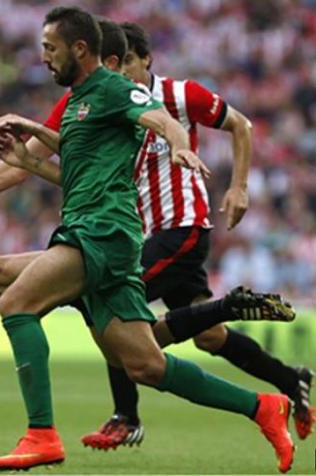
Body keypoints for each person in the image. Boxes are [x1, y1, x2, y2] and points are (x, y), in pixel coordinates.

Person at [0, 10, 293, 472]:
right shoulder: (74, 106)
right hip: (90, 231)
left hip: (104, 234)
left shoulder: (113, 88)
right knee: (143, 364)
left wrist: (178, 142)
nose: (43, 58)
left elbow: (161, 117)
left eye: (50, 48)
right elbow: (61, 170)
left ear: (80, 49)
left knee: (16, 303)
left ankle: (41, 434)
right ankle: (264, 407)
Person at [79, 21, 314, 449]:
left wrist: (239, 186)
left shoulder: (180, 94)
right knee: (209, 335)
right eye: (115, 64)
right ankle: (290, 378)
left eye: (128, 61)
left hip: (181, 227)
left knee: (113, 308)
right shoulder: (117, 108)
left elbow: (241, 126)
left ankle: (126, 417)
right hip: (153, 233)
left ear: (146, 59)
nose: (122, 71)